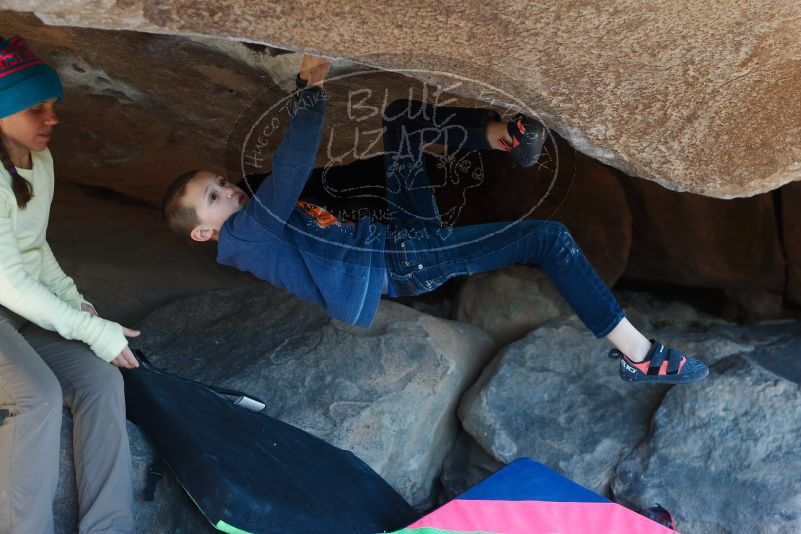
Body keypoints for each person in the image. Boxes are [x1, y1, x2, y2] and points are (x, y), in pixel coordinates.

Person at [162, 54, 708, 385]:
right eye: (213, 195)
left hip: (402, 241)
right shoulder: (246, 233)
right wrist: (310, 93)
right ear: (203, 232)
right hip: (401, 262)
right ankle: (641, 355)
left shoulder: (248, 223)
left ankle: (505, 138)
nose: (228, 188)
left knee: (401, 121)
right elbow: (291, 167)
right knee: (548, 238)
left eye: (221, 182)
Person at [0, 36, 139, 533]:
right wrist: (93, 333)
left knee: (102, 380)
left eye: (53, 106)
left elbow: (35, 250)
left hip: (12, 315)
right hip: (6, 304)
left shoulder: (41, 161)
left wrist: (77, 305)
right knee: (35, 396)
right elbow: (10, 281)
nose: (51, 118)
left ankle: (110, 527)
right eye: (36, 108)